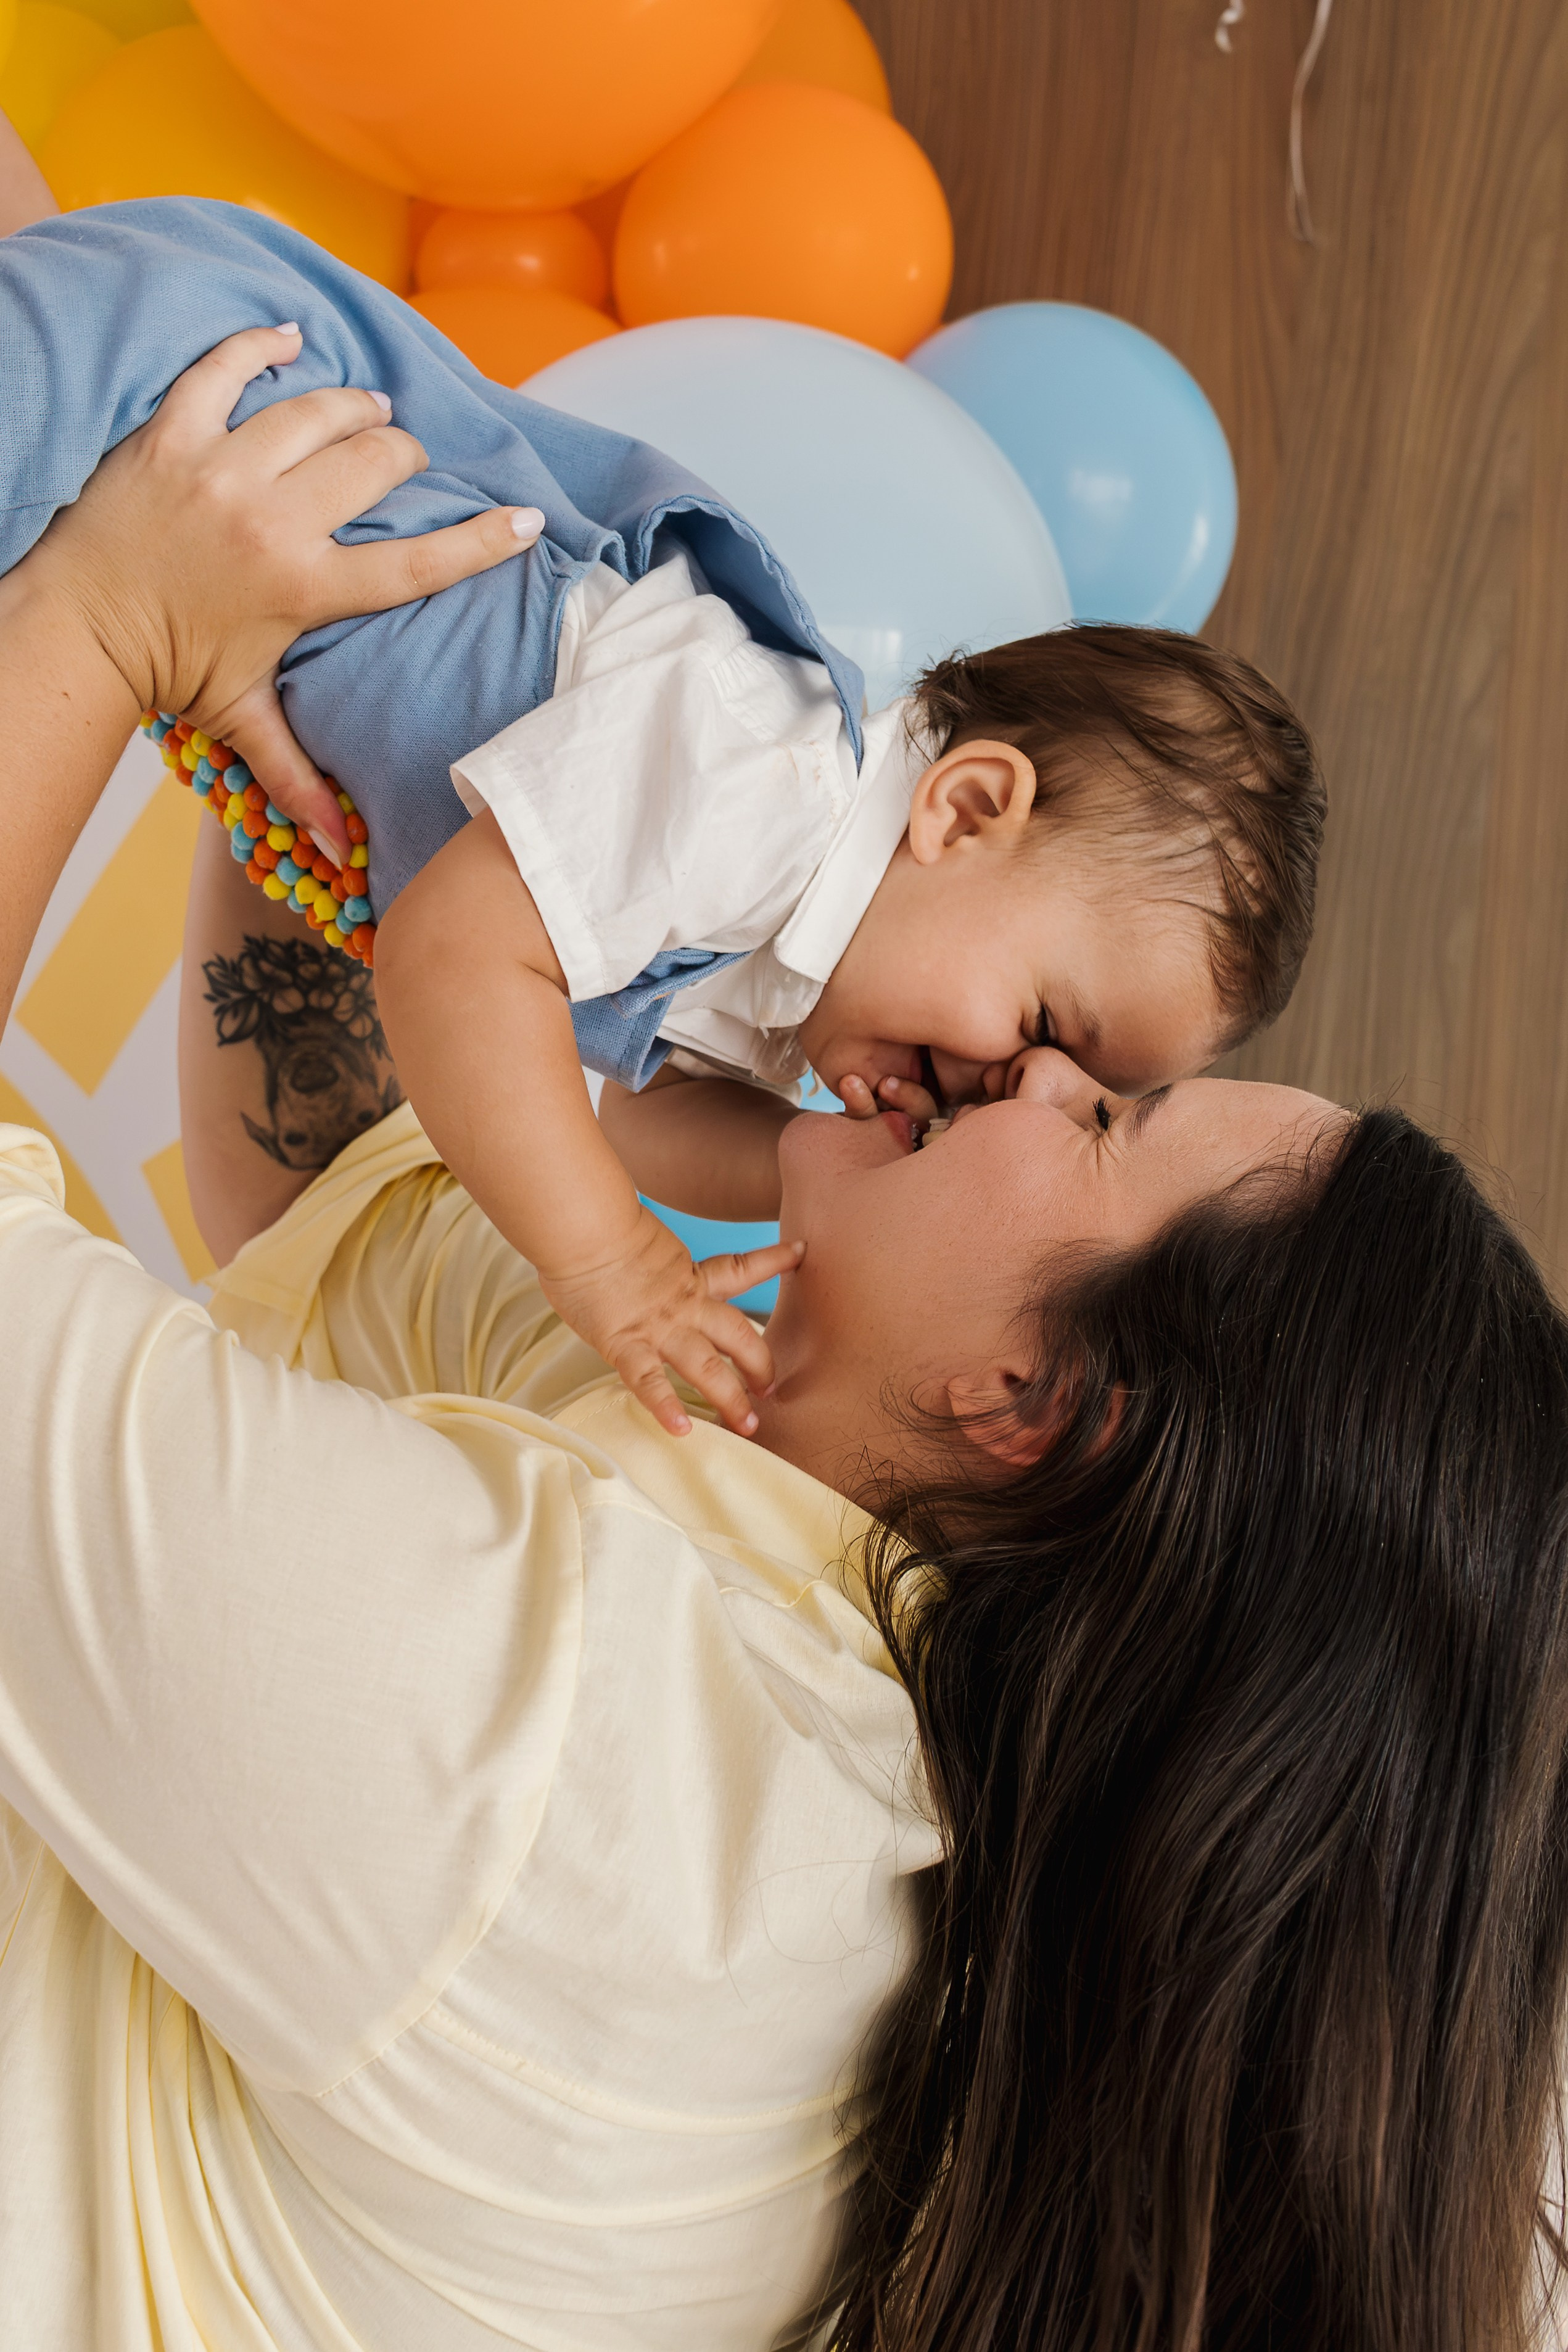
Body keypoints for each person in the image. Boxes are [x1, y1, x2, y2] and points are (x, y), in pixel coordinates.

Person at [6, 363, 1568, 2352]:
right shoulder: (765, 1436)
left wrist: (105, 611)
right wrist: (392, 744)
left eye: (1092, 1115)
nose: (1012, 1074)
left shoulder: (583, 1773)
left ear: (1039, 1403)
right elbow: (329, 1193)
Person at [0, 165, 1325, 1443]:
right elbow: (453, 957)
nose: (1007, 1089)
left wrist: (816, 1152)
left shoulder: (776, 962)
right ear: (967, 808)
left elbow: (636, 1112)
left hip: (188, 507)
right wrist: (608, 1262)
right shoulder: (761, 788)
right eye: (1046, 1029)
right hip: (189, 397)